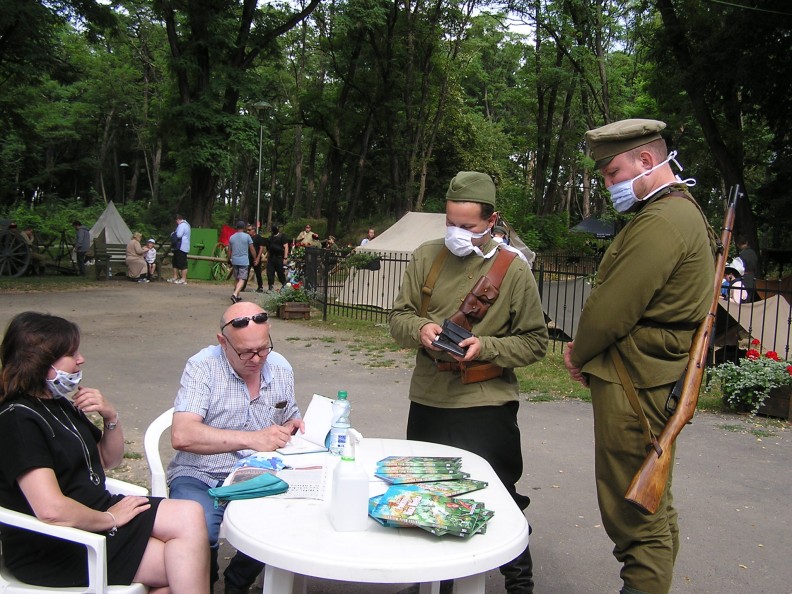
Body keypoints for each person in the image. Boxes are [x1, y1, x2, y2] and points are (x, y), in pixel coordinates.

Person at [563, 119, 716, 594]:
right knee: (650, 505)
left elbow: (612, 309)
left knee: (635, 519)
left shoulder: (664, 220)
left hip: (635, 384)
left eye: (612, 173)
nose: (609, 185)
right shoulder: (674, 212)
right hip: (646, 378)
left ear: (646, 161)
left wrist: (578, 353)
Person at [389, 171, 548, 594]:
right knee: (422, 495)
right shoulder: (426, 256)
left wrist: (488, 347)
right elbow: (398, 317)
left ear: (492, 220)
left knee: (497, 494)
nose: (456, 233)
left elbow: (535, 342)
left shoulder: (513, 271)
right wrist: (420, 329)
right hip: (428, 397)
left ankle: (519, 582)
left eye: (468, 226)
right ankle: (423, 579)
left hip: (485, 402)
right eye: (450, 223)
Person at [0, 312, 209, 592]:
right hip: (56, 544)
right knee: (181, 566)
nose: (81, 359)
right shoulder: (18, 420)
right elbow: (50, 510)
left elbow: (109, 459)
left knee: (190, 515)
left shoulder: (59, 404)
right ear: (41, 362)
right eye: (71, 354)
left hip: (95, 512)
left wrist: (110, 417)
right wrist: (110, 519)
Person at [167, 302, 304, 594]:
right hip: (200, 473)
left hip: (258, 472)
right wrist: (251, 438)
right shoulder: (202, 366)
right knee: (197, 531)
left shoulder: (279, 366)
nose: (257, 359)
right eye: (245, 352)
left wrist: (296, 424)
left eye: (263, 348)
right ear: (222, 342)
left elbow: (290, 414)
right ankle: (204, 582)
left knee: (293, 519)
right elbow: (182, 435)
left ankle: (238, 581)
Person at [228, 220, 255, 304]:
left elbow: (229, 250)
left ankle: (237, 296)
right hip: (244, 260)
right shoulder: (247, 237)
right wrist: (255, 258)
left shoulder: (232, 237)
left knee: (236, 278)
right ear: (244, 227)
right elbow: (252, 248)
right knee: (242, 278)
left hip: (235, 260)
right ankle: (235, 294)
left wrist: (228, 258)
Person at [168, 214, 191, 285]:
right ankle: (175, 277)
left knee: (182, 263)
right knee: (175, 262)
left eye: (176, 221)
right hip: (179, 247)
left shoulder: (182, 225)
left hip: (182, 247)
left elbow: (178, 235)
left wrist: (172, 234)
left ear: (178, 220)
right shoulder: (186, 225)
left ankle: (183, 279)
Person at [266, 225, 290, 292]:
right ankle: (270, 287)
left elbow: (286, 247)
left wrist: (285, 258)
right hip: (271, 257)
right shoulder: (270, 238)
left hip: (279, 257)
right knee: (270, 272)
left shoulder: (282, 237)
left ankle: (284, 285)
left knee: (280, 273)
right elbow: (268, 250)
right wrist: (267, 258)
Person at [735, 235, 758, 301]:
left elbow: (739, 268)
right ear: (747, 242)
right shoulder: (753, 253)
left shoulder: (742, 254)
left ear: (738, 245)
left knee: (743, 299)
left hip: (744, 278)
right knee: (750, 299)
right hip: (753, 278)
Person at [245, 225, 265, 293]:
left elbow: (261, 248)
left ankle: (260, 286)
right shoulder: (248, 237)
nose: (248, 231)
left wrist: (258, 258)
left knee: (258, 272)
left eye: (249, 230)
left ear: (253, 230)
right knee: (246, 272)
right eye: (247, 230)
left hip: (255, 258)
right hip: (248, 257)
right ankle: (242, 286)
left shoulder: (258, 237)